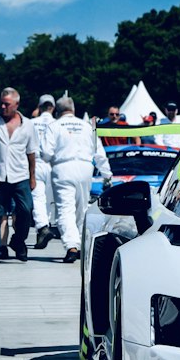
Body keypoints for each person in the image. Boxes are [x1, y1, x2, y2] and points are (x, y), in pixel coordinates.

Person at [48, 96, 112, 264]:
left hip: (63, 168)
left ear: (57, 111)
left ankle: (71, 245)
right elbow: (99, 152)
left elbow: (46, 152)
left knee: (65, 209)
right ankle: (82, 244)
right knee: (82, 208)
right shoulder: (86, 126)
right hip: (85, 169)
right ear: (74, 110)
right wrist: (107, 174)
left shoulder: (54, 126)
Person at [0, 88, 38, 264]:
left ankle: (18, 241)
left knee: (26, 210)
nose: (3, 107)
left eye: (7, 104)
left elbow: (31, 153)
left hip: (20, 174)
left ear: (16, 104)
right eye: (1, 103)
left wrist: (33, 177)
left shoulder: (28, 124)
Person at [33, 94, 59, 250]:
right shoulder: (58, 124)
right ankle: (48, 225)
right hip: (53, 164)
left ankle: (42, 227)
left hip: (35, 163)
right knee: (51, 200)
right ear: (53, 108)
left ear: (39, 107)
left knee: (38, 198)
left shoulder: (31, 123)